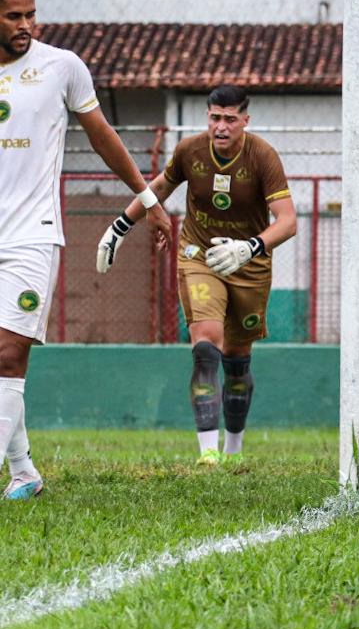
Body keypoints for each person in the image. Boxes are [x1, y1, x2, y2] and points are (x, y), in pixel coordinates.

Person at [0, 0, 173, 500]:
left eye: (31, 13)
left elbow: (103, 138)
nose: (26, 25)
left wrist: (148, 199)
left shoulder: (62, 67)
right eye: (13, 16)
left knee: (8, 353)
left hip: (32, 234)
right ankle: (25, 471)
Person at [96, 85, 296, 466]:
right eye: (214, 118)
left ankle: (233, 451)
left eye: (230, 119)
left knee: (237, 361)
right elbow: (157, 189)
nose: (221, 127)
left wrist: (249, 247)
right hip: (198, 255)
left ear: (245, 121)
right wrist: (120, 226)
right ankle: (207, 454)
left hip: (248, 264)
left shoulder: (263, 156)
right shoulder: (189, 151)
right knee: (206, 346)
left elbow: (287, 223)